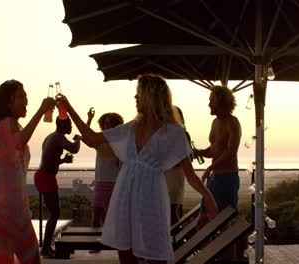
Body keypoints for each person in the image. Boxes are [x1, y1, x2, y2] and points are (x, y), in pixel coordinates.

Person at [57, 74, 218, 264]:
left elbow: (190, 176)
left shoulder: (174, 132)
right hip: (126, 194)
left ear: (150, 96)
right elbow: (92, 138)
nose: (135, 99)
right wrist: (69, 107)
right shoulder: (132, 127)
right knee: (125, 253)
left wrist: (208, 198)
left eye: (138, 94)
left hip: (152, 197)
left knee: (155, 252)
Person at [0, 79, 55, 264]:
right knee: (31, 259)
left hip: (3, 212)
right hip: (9, 212)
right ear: (8, 102)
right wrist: (41, 111)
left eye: (26, 96)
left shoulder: (4, 127)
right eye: (21, 97)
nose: (26, 101)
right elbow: (19, 142)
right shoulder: (5, 126)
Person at [195, 85, 241, 258]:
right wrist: (199, 152)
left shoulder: (233, 122)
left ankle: (227, 259)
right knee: (201, 223)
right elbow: (214, 150)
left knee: (223, 226)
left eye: (211, 100)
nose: (208, 104)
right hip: (214, 179)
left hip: (226, 179)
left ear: (220, 101)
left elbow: (231, 152)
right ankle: (213, 256)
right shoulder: (215, 122)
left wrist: (210, 167)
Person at [34, 117, 81, 258]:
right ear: (61, 125)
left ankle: (46, 247)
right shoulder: (58, 137)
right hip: (45, 177)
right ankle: (45, 248)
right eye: (69, 124)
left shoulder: (51, 137)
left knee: (54, 213)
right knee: (55, 213)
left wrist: (63, 160)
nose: (71, 127)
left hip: (45, 176)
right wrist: (79, 138)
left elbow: (50, 159)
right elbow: (74, 148)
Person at [85, 108, 124, 253]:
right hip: (101, 184)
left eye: (109, 124)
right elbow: (87, 137)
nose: (106, 127)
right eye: (105, 124)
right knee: (96, 214)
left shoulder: (119, 143)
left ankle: (113, 244)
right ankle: (94, 246)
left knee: (111, 217)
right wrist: (89, 118)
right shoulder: (100, 143)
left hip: (115, 184)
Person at [164, 106, 191, 225]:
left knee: (173, 209)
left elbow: (187, 158)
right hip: (165, 175)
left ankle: (176, 239)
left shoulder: (182, 133)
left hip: (174, 175)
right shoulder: (162, 133)